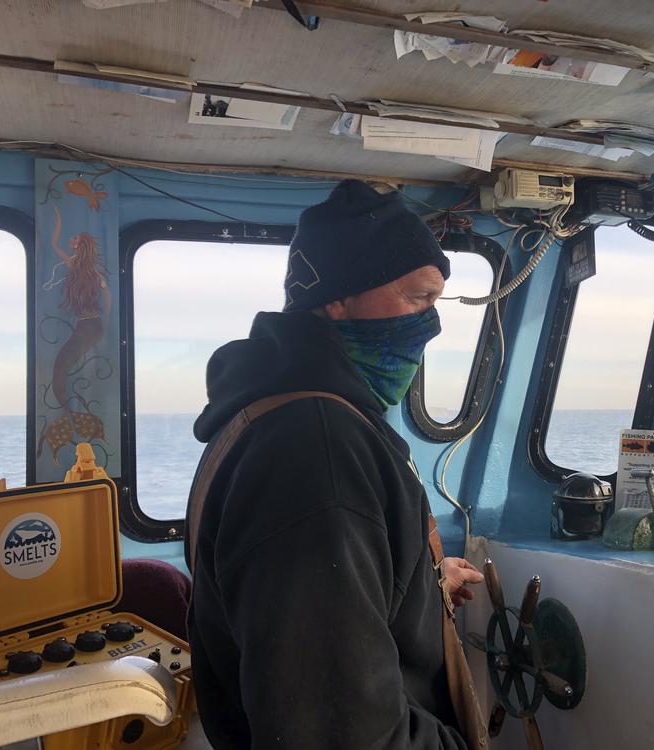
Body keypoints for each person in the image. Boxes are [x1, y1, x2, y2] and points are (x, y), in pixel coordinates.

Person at [185, 180, 485, 749]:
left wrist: (418, 585)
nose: (431, 324)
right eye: (418, 298)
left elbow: (323, 599)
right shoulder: (315, 452)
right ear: (338, 298)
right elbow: (341, 734)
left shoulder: (271, 407)